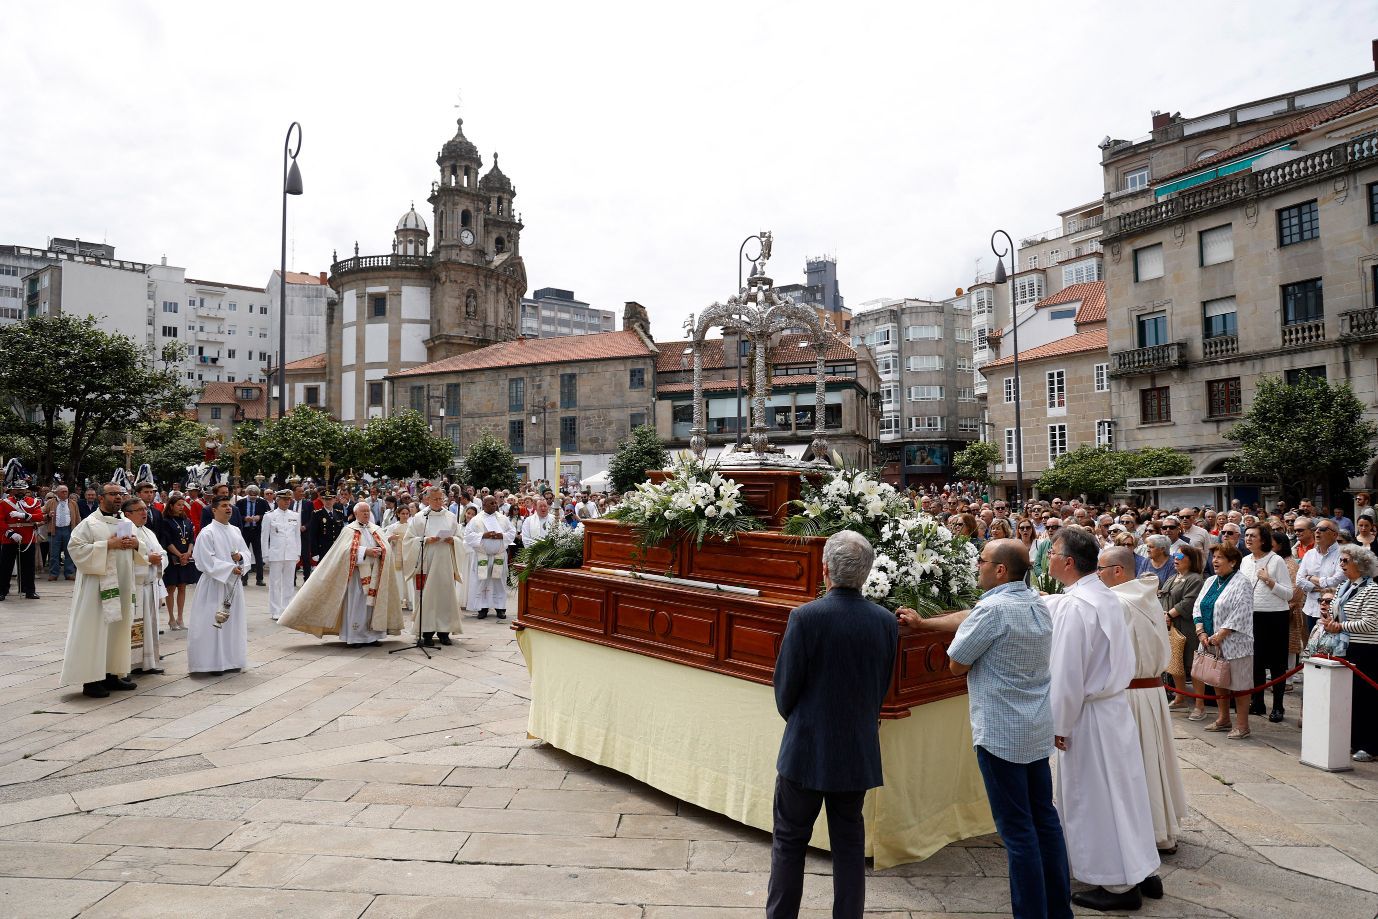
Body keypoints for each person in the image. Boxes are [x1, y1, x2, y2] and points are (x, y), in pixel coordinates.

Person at [911, 539, 1071, 919]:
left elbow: (956, 663)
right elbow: (972, 614)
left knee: (1018, 831)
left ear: (1000, 570)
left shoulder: (994, 610)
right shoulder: (1036, 601)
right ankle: (1058, 910)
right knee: (1044, 820)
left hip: (1001, 732)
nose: (976, 565)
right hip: (1033, 727)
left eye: (981, 560)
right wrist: (925, 621)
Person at [767, 531, 898, 919]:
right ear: (867, 573)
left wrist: (803, 721)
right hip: (856, 748)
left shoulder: (806, 617)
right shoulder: (885, 622)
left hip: (806, 747)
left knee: (790, 842)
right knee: (848, 845)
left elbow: (785, 688)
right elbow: (881, 685)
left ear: (824, 570)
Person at [1044, 525, 1161, 912]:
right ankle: (1140, 868)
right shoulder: (1103, 596)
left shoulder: (1079, 606)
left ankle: (1116, 884)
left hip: (1089, 715)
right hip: (1111, 708)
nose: (1047, 558)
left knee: (1095, 798)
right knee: (1124, 793)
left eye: (1052, 552)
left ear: (1067, 561)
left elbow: (1066, 673)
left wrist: (1058, 724)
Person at [1097, 547, 1188, 855]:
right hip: (1150, 691)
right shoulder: (1146, 596)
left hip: (1130, 693)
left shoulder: (1118, 603)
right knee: (1152, 759)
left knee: (1137, 763)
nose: (1096, 575)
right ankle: (1159, 827)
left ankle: (1148, 831)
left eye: (1100, 569)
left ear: (1118, 571)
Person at [279, 501, 403, 646]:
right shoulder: (349, 530)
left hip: (375, 574)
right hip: (356, 575)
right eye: (363, 512)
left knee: (372, 606)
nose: (366, 514)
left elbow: (385, 547)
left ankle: (372, 636)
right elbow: (343, 552)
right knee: (357, 605)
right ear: (356, 514)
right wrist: (365, 551)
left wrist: (382, 550)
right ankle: (356, 637)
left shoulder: (376, 529)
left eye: (367, 511)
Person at [58, 482, 140, 697]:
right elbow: (75, 549)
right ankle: (92, 680)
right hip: (96, 590)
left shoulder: (125, 523)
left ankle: (112, 674)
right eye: (113, 494)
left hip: (121, 584)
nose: (118, 498)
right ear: (101, 498)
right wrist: (107, 545)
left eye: (120, 494)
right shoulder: (89, 524)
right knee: (95, 630)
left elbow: (140, 549)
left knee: (117, 630)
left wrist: (136, 545)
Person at [1321, 545, 1378, 761]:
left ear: (1360, 564)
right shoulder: (1344, 586)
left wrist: (1340, 627)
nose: (1341, 565)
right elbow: (1335, 612)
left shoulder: (1372, 590)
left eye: (1345, 561)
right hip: (1344, 647)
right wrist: (1330, 623)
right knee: (1351, 696)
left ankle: (1371, 745)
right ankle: (1355, 740)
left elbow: (1370, 623)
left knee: (1367, 698)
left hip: (1367, 649)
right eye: (1340, 561)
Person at [1193, 543, 1255, 739]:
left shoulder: (1242, 582)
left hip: (1234, 642)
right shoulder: (1210, 580)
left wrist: (1221, 634)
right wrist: (1201, 631)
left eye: (1220, 557)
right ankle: (1223, 718)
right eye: (1214, 557)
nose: (1215, 561)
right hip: (1208, 641)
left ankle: (1242, 725)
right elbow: (1198, 605)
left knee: (1239, 683)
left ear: (1233, 561)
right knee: (1217, 679)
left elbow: (1241, 611)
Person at [187, 496, 252, 675]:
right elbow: (204, 560)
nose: (228, 508)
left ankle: (231, 660)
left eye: (229, 505)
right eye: (224, 506)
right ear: (214, 510)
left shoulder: (236, 531)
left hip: (233, 586)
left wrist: (241, 559)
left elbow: (246, 553)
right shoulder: (207, 532)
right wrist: (230, 569)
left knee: (233, 623)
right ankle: (211, 663)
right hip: (214, 584)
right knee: (211, 623)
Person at [1241, 524, 1294, 723]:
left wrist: (1268, 580)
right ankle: (1258, 701)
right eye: (1246, 535)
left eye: (1252, 536)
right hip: (1251, 616)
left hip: (1274, 616)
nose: (1248, 539)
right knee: (1256, 663)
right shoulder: (1245, 560)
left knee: (1277, 664)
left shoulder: (1276, 560)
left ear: (1262, 539)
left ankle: (1278, 706)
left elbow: (1288, 593)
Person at [404, 487, 464, 646]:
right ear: (427, 500)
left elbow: (460, 538)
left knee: (445, 597)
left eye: (441, 499)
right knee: (427, 598)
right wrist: (424, 540)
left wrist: (453, 540)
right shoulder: (419, 517)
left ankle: (444, 632)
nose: (439, 502)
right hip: (427, 563)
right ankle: (427, 633)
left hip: (445, 564)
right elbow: (409, 540)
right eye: (435, 499)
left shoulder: (450, 517)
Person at [1159, 545, 1205, 717]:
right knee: (1175, 663)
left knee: (1192, 665)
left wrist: (1169, 614)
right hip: (1171, 627)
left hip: (1187, 627)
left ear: (1191, 559)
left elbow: (1189, 601)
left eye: (1180, 555)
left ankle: (1199, 705)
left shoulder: (1195, 579)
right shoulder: (1173, 577)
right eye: (1174, 555)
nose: (1175, 559)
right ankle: (1180, 698)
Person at [126, 496, 167, 675]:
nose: (145, 512)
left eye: (145, 509)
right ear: (128, 514)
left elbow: (161, 552)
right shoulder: (125, 531)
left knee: (150, 625)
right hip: (135, 586)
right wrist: (148, 559)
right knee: (134, 626)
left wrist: (159, 560)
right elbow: (123, 558)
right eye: (139, 510)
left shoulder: (148, 532)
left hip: (150, 585)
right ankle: (132, 665)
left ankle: (147, 662)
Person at [464, 495, 515, 621]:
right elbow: (468, 535)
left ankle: (500, 608)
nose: (494, 505)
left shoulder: (503, 519)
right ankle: (482, 608)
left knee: (499, 582)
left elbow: (512, 532)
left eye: (495, 503)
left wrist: (501, 536)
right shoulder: (476, 520)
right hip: (483, 556)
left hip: (498, 555)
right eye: (491, 503)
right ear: (484, 505)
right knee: (482, 581)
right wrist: (483, 535)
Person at [157, 494, 198, 631]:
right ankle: (171, 618)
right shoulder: (166, 521)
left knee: (182, 587)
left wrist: (188, 553)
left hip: (186, 556)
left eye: (182, 505)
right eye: (178, 505)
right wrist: (180, 554)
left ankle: (180, 617)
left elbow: (192, 538)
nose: (181, 507)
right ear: (171, 506)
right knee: (171, 588)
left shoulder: (186, 520)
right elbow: (167, 541)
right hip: (173, 556)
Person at [0, 474, 44, 601]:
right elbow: (1, 520)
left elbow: (39, 516)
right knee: (5, 566)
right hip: (9, 537)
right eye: (17, 489)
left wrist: (24, 515)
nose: (20, 491)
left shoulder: (34, 502)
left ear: (26, 490)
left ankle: (29, 590)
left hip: (27, 537)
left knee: (28, 566)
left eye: (22, 489)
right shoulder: (4, 503)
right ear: (12, 490)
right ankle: (2, 590)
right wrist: (10, 533)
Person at [1296, 516, 1342, 633]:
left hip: (1335, 610)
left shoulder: (1343, 554)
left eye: (1322, 529)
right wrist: (1313, 587)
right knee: (1313, 645)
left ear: (1335, 535)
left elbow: (1336, 580)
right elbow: (1299, 580)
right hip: (1312, 608)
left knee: (1333, 647)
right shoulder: (1310, 554)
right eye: (1316, 529)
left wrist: (1310, 578)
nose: (1317, 531)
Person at [261, 489, 301, 621]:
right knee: (275, 582)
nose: (287, 502)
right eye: (284, 500)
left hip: (291, 552)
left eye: (289, 500)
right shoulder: (269, 516)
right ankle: (275, 610)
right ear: (278, 500)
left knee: (289, 583)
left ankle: (287, 608)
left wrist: (298, 553)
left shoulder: (295, 515)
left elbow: (297, 536)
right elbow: (264, 536)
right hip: (276, 553)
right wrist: (265, 554)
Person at [44, 484, 79, 581]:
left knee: (69, 553)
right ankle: (53, 573)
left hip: (68, 530)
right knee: (54, 554)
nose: (65, 493)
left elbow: (77, 517)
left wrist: (77, 530)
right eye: (63, 491)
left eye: (66, 491)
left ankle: (69, 573)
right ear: (57, 493)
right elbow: (42, 513)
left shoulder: (73, 503)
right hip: (55, 530)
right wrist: (48, 515)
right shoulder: (50, 502)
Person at [236, 485, 269, 587]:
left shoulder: (263, 502)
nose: (253, 498)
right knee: (243, 555)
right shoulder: (241, 502)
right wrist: (244, 518)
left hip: (256, 531)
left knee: (258, 555)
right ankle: (243, 578)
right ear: (247, 494)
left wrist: (260, 517)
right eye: (251, 496)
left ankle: (260, 579)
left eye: (255, 496)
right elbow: (236, 515)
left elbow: (268, 515)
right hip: (244, 531)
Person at [311, 491, 347, 572]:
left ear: (334, 500)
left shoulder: (339, 513)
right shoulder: (317, 514)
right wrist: (314, 552)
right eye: (325, 499)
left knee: (336, 572)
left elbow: (342, 532)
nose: (328, 501)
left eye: (330, 499)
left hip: (336, 549)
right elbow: (313, 535)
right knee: (323, 572)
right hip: (323, 549)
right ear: (322, 500)